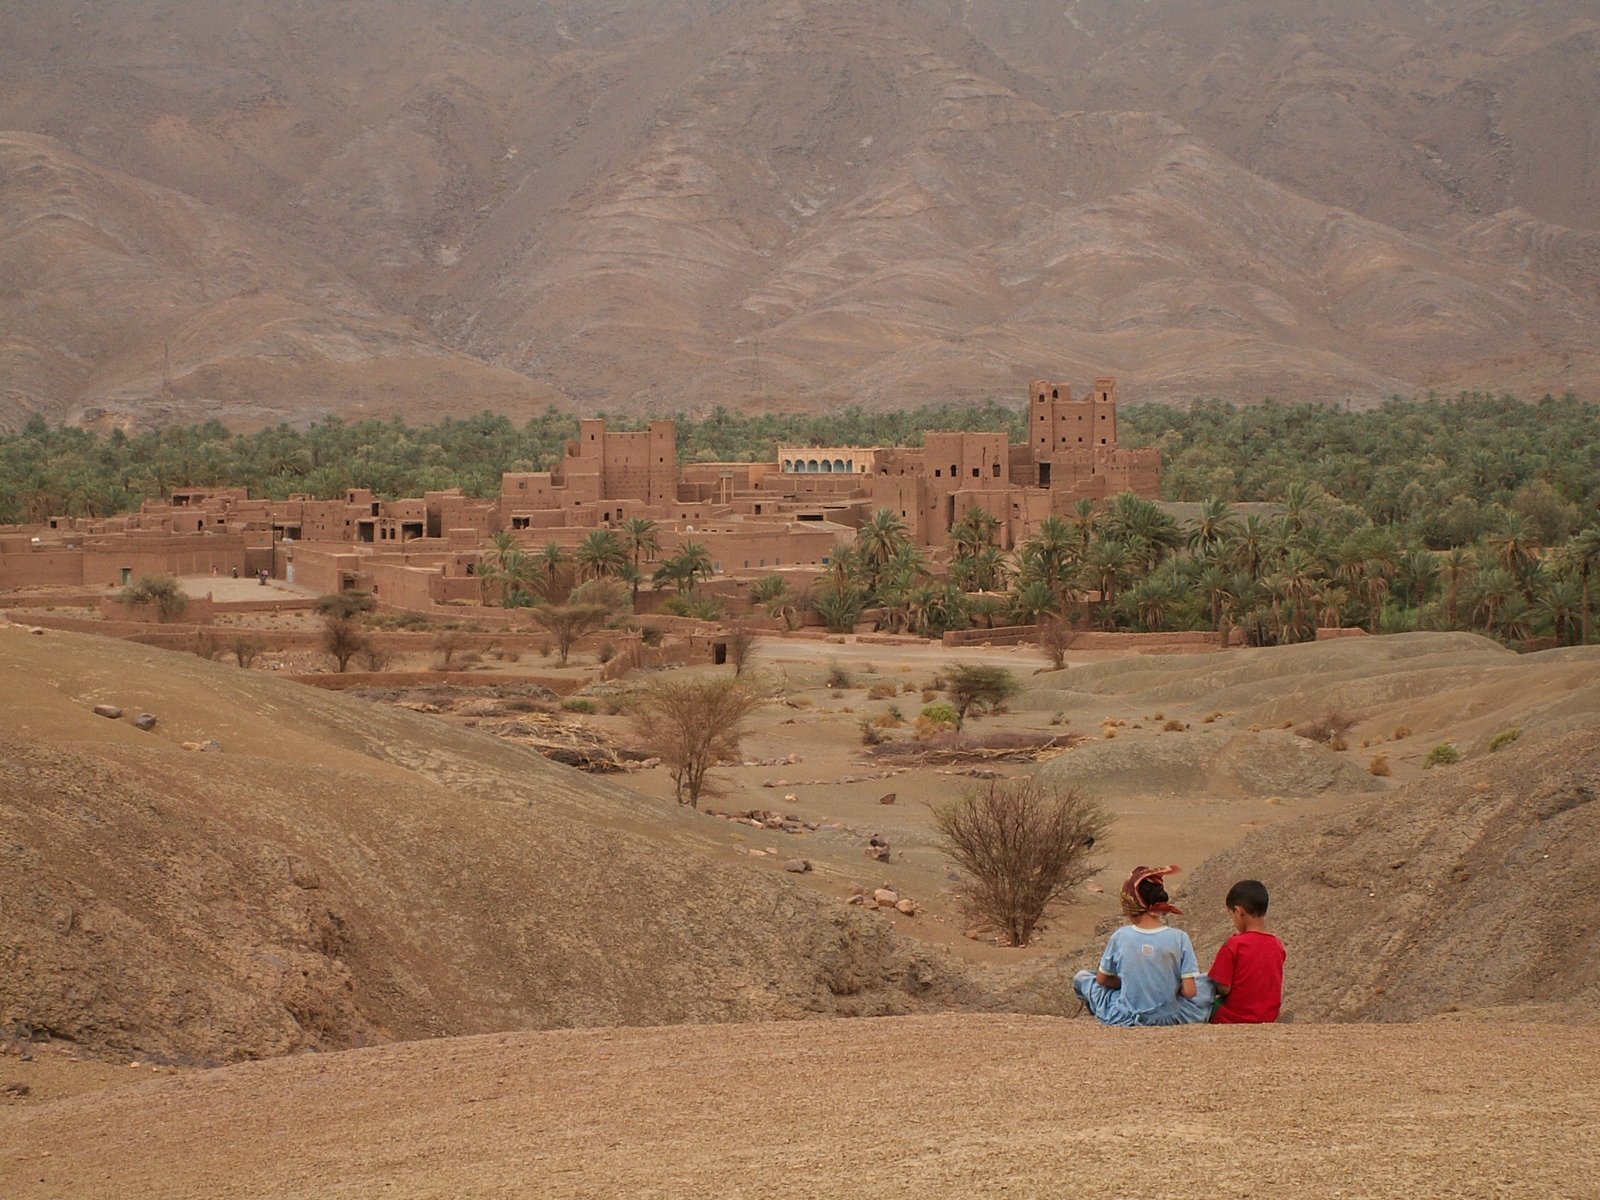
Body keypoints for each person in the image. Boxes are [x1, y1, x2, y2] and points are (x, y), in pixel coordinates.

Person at [1073, 865, 1213, 1027]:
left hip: (1125, 1016)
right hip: (1169, 1017)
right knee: (1206, 980)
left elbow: (1102, 979)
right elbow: (1190, 992)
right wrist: (1170, 985)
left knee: (1082, 977)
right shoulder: (1180, 938)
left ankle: (1096, 1014)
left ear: (1129, 906)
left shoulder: (1120, 936)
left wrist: (1130, 982)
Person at [1207, 879, 1285, 1024]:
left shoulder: (1234, 944)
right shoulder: (1277, 944)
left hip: (1233, 1018)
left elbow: (1224, 988)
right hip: (1268, 1017)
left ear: (1238, 911)